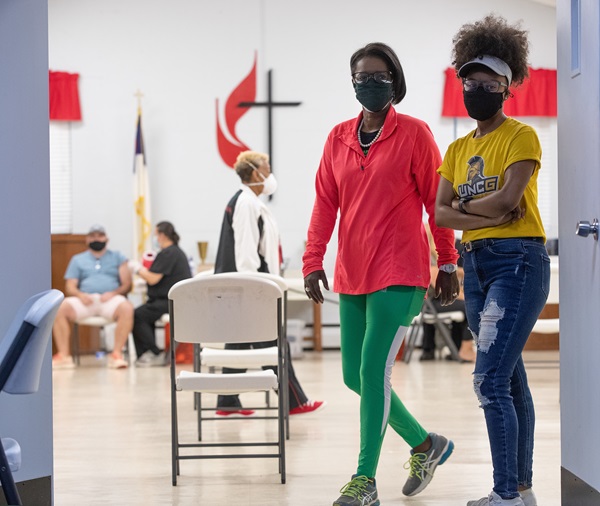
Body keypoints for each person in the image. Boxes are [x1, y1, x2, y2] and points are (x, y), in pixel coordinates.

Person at [302, 42, 458, 506]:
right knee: (355, 375)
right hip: (353, 269)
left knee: (374, 368)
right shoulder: (337, 138)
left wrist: (447, 261)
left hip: (400, 268)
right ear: (352, 83)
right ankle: (427, 445)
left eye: (379, 75)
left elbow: (437, 203)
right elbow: (325, 203)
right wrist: (313, 259)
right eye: (362, 76)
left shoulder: (414, 133)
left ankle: (365, 480)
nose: (370, 83)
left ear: (394, 80)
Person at [435, 15, 549, 506]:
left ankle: (504, 494)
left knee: (488, 378)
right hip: (475, 267)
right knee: (510, 377)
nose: (476, 88)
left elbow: (509, 204)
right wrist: (479, 212)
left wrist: (467, 210)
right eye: (469, 80)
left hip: (517, 262)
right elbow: (440, 212)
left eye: (487, 82)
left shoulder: (521, 136)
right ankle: (520, 491)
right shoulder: (458, 148)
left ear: (506, 87)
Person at [214, 150, 325, 417]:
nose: (270, 173)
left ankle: (227, 402)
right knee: (275, 343)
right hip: (251, 287)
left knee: (240, 342)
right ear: (255, 173)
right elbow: (247, 253)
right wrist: (257, 290)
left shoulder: (249, 202)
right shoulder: (246, 204)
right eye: (267, 167)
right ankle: (294, 401)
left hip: (250, 286)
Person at [52, 224, 133, 369]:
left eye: (100, 236)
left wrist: (113, 293)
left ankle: (116, 354)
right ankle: (64, 355)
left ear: (106, 238)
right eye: (93, 236)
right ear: (87, 239)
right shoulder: (77, 260)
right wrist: (80, 295)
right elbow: (70, 286)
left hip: (110, 299)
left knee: (127, 308)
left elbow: (126, 283)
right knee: (59, 308)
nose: (97, 239)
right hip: (85, 300)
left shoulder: (118, 257)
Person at [131, 221, 191, 367]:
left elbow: (153, 278)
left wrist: (137, 269)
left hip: (171, 301)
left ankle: (154, 353)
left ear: (162, 235)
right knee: (145, 314)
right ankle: (149, 352)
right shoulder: (174, 252)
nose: (155, 238)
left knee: (138, 315)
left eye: (156, 234)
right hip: (169, 300)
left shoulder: (169, 253)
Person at [421, 235, 476, 363]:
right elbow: (443, 288)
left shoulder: (438, 262)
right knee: (469, 307)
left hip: (438, 301)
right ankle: (465, 349)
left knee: (465, 307)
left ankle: (458, 349)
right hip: (432, 304)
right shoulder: (431, 262)